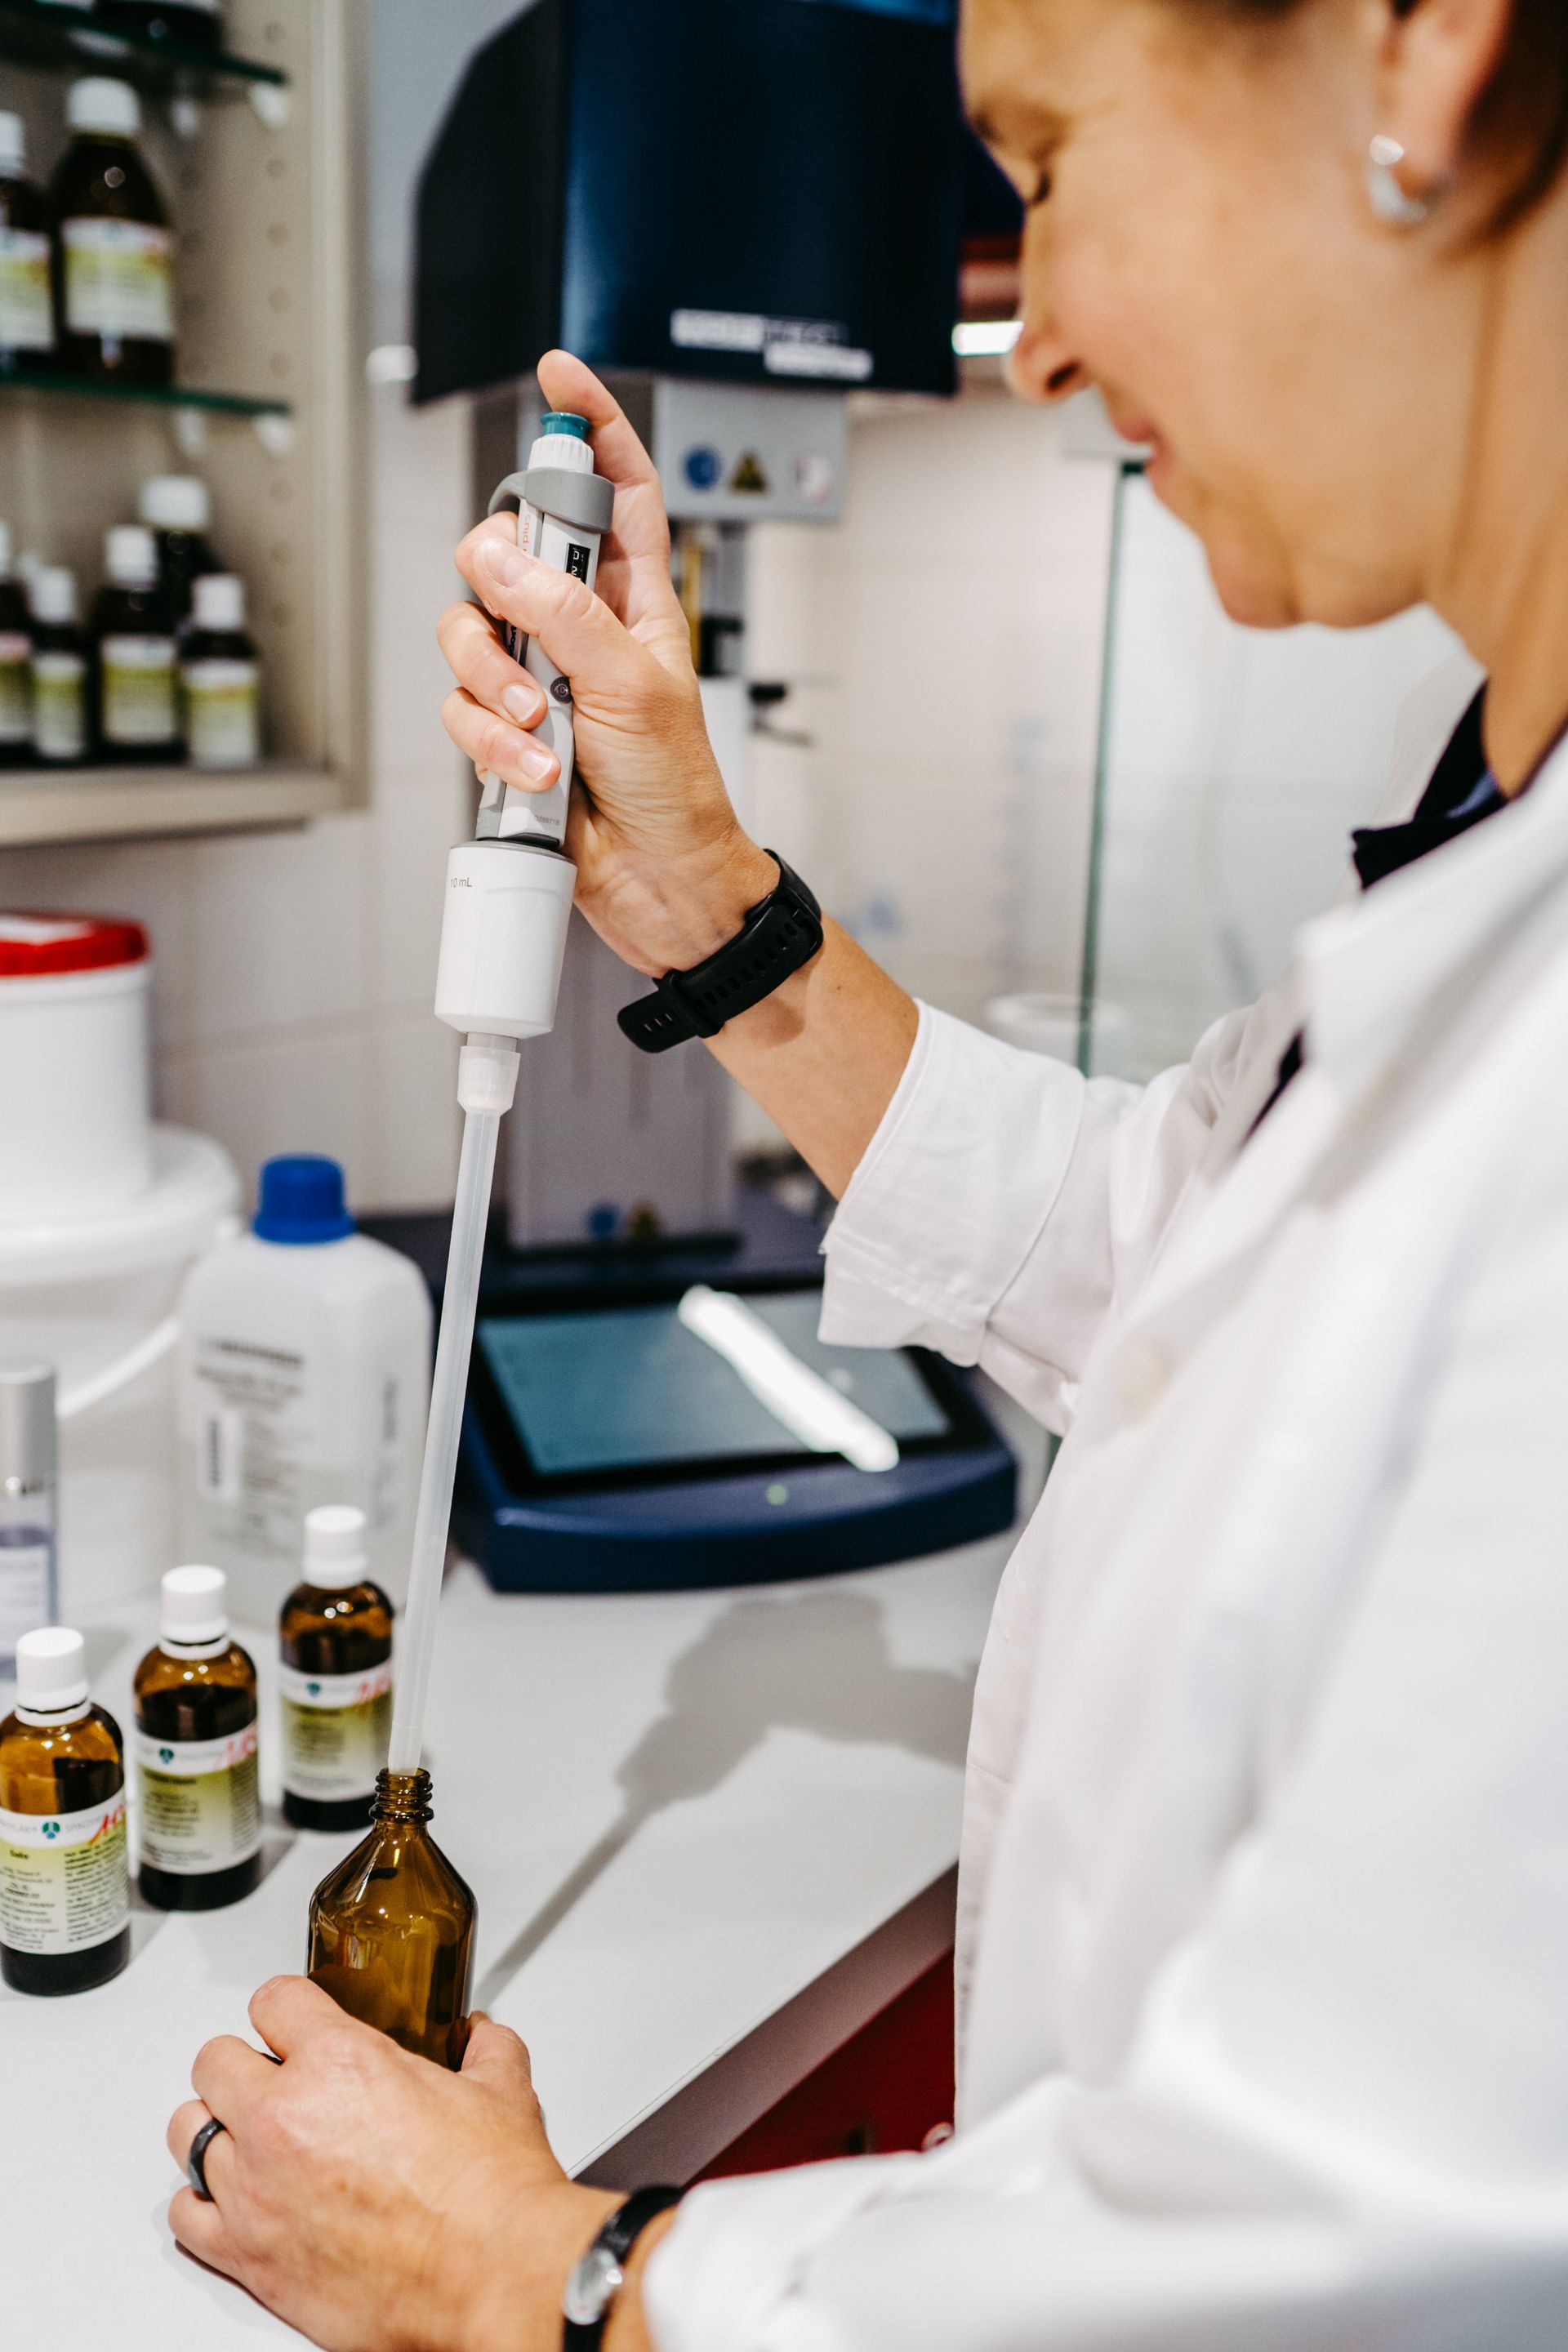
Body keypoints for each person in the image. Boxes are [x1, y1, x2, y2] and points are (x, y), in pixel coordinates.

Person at [167, 0, 1568, 2344]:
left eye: (1051, 158)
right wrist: (710, 907)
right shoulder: (1493, 829)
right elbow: (1170, 1247)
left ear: (1421, 48)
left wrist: (527, 2272)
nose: (1035, 335)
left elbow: (1339, 2255)